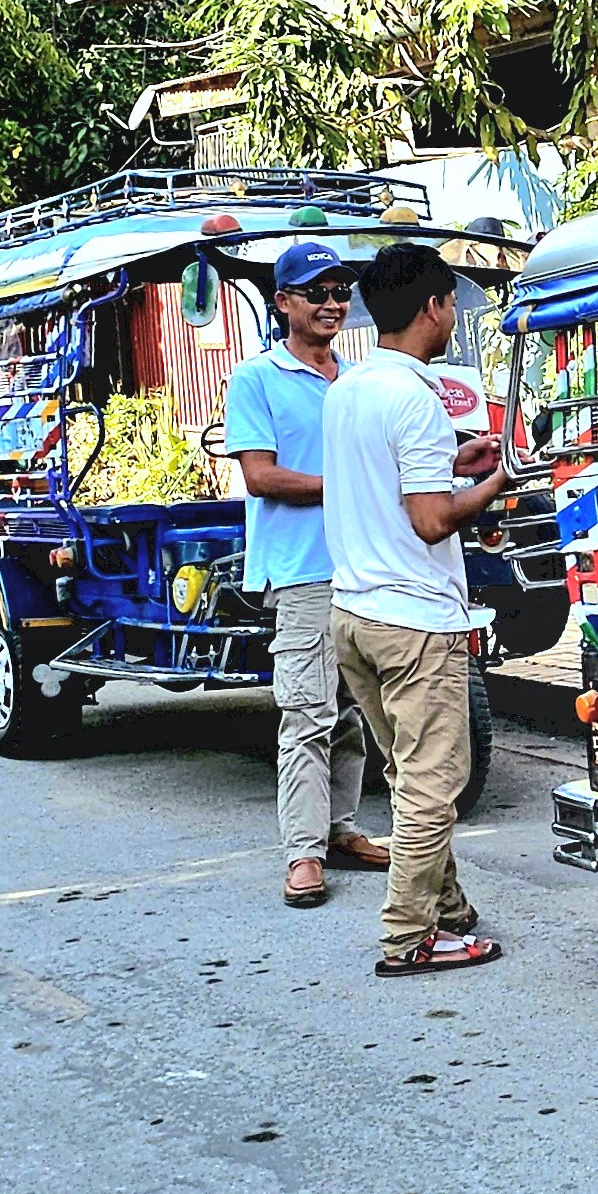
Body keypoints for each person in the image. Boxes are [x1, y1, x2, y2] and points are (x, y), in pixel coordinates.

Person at [323, 241, 512, 976]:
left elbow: (389, 480)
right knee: (436, 785)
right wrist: (498, 479)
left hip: (354, 612)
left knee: (410, 774)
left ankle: (449, 907)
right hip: (413, 619)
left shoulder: (350, 388)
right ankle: (409, 935)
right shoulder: (418, 395)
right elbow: (433, 520)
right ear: (434, 308)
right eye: (449, 307)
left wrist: (457, 464)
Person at [225, 241, 390, 909]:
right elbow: (260, 476)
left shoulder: (354, 377)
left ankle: (340, 828)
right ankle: (302, 852)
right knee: (306, 714)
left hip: (361, 563)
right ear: (283, 302)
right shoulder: (256, 378)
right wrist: (348, 484)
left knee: (352, 711)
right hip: (302, 572)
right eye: (315, 291)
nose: (330, 302)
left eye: (339, 291)